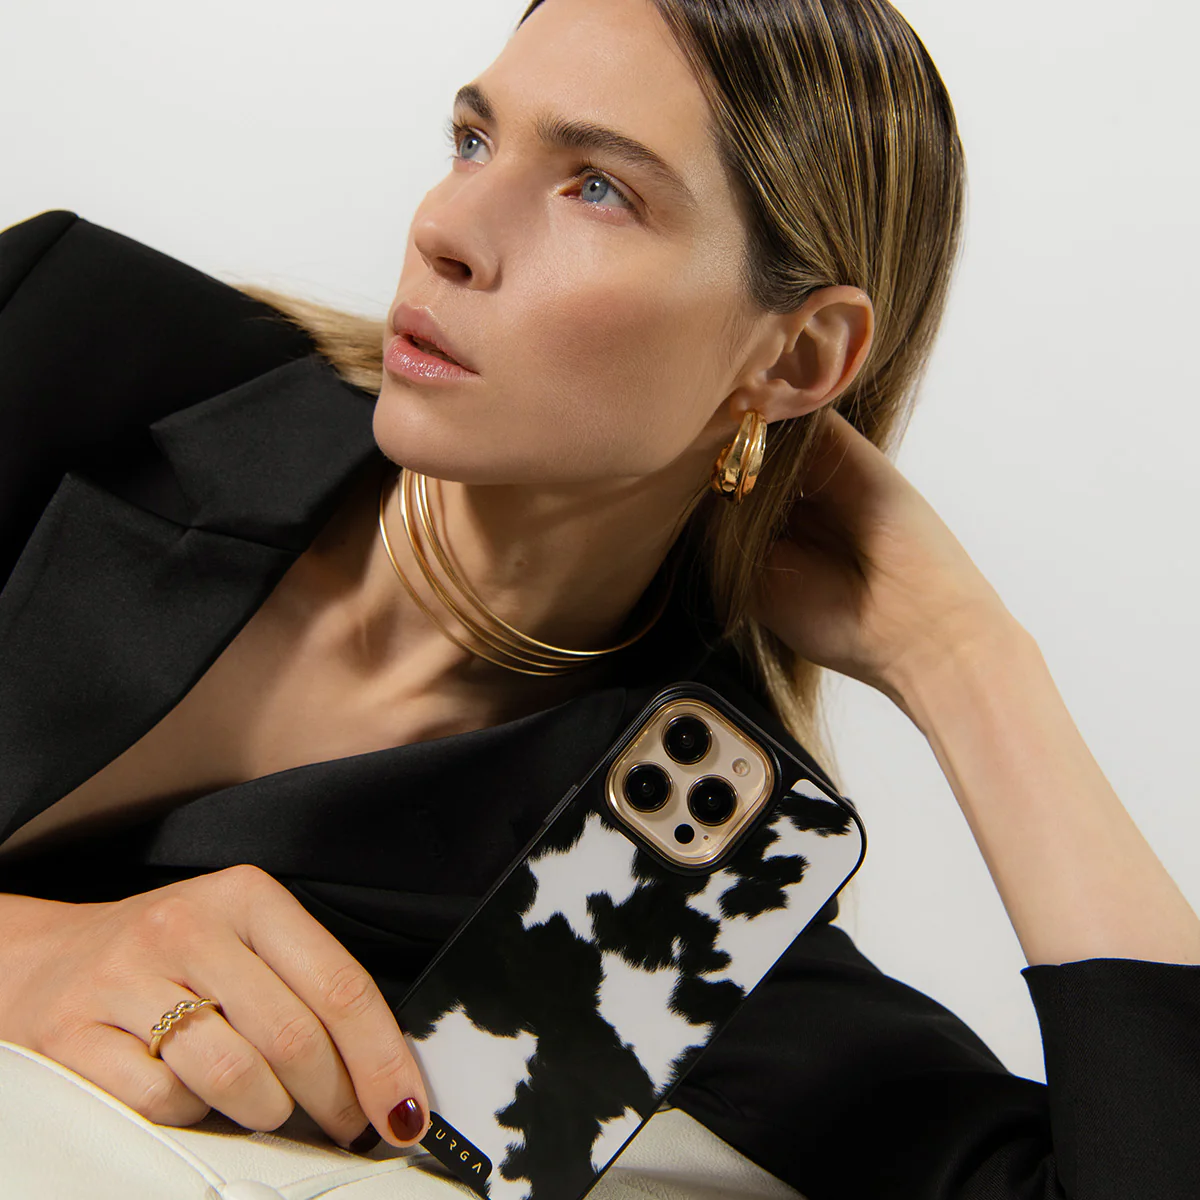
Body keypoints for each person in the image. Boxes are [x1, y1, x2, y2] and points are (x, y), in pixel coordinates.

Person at [0, 0, 1197, 1195]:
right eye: (474, 140)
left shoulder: (663, 878)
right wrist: (30, 956)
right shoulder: (64, 333)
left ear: (793, 358)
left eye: (597, 188)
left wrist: (971, 663)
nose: (444, 227)